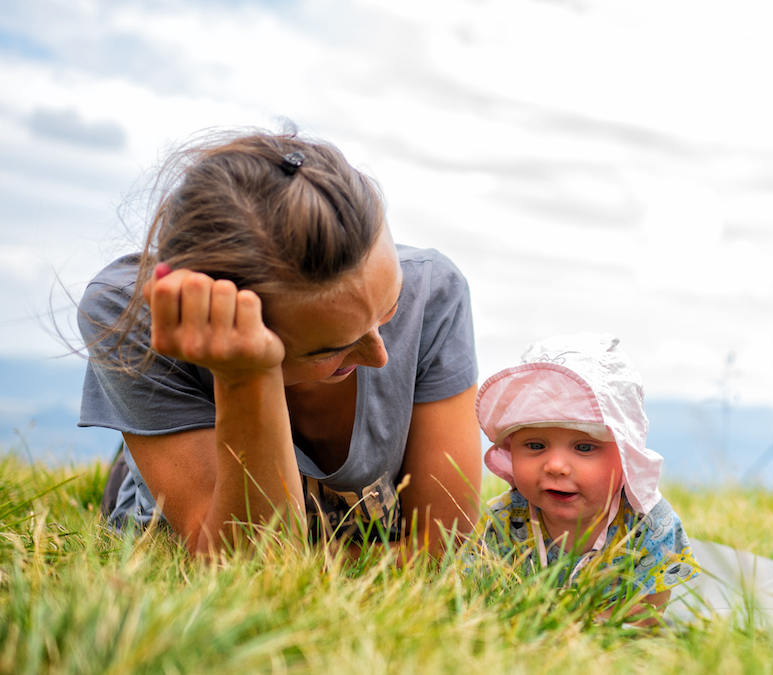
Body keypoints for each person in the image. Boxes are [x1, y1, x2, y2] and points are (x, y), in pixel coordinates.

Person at [77, 130, 481, 558]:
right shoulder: (127, 312)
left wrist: (317, 562)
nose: (380, 356)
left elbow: (442, 543)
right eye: (327, 350)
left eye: (389, 307)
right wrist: (243, 375)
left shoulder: (434, 292)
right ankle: (148, 452)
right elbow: (250, 566)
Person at [473, 332, 698, 618]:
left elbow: (646, 618)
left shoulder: (651, 526)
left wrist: (573, 628)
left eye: (584, 447)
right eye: (534, 445)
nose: (555, 465)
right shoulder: (503, 520)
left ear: (625, 454)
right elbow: (478, 600)